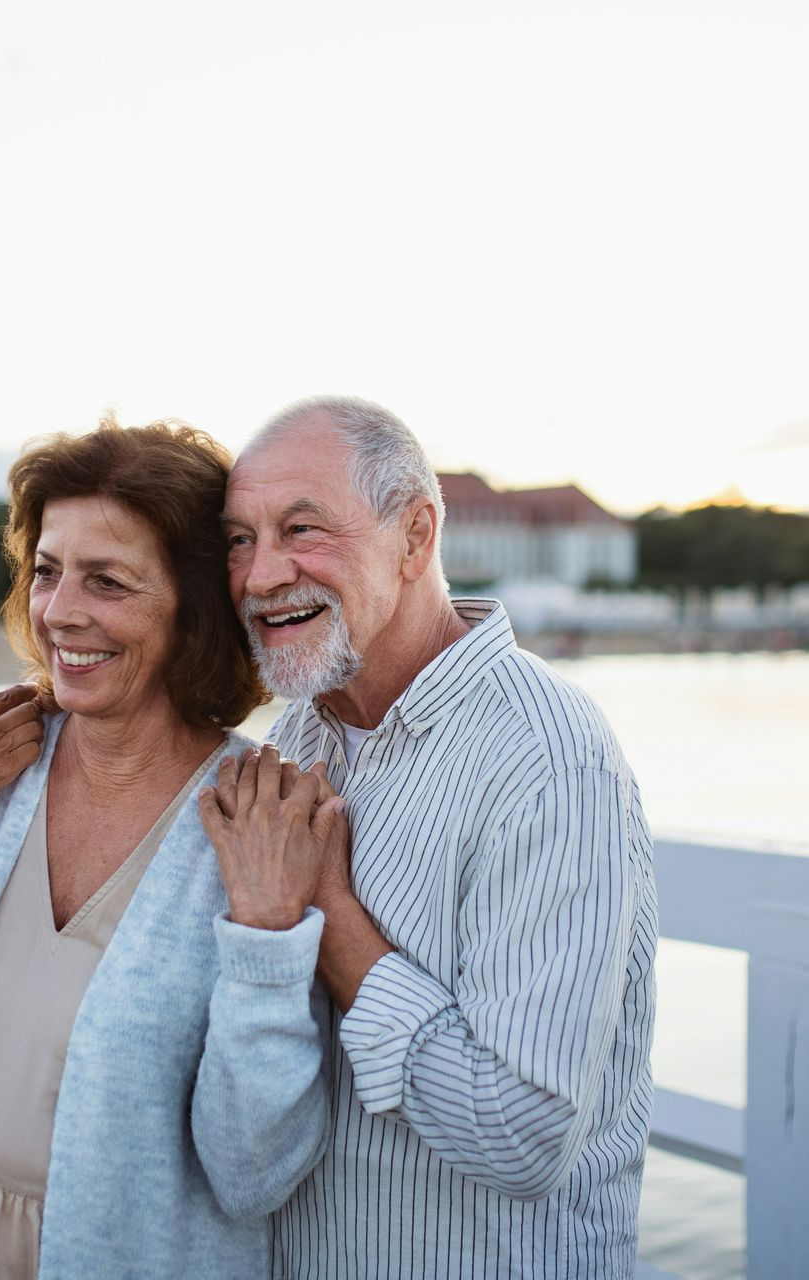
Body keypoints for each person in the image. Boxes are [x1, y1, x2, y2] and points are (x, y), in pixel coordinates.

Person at [0, 417, 337, 1279]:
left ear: (195, 610)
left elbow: (252, 1173)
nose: (61, 611)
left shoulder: (254, 822)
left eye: (108, 582)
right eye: (47, 572)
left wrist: (268, 938)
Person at [201, 395, 658, 1278]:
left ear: (416, 537)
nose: (259, 576)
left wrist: (328, 914)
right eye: (238, 539)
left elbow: (523, 1133)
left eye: (302, 527)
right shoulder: (291, 745)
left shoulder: (548, 760)